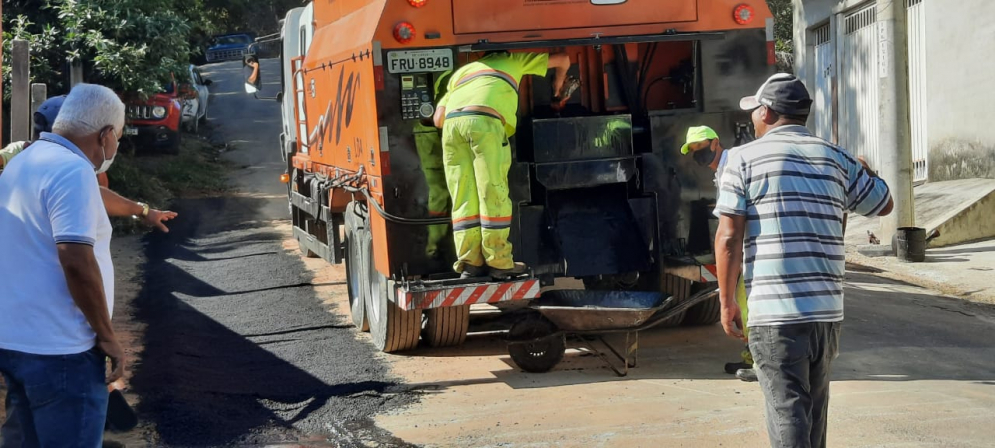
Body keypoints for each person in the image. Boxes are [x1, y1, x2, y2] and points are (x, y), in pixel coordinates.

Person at [714, 73, 893, 448]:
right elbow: (884, 202)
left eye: (754, 111)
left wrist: (727, 301)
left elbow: (729, 237)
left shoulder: (743, 159)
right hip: (827, 314)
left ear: (766, 112)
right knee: (813, 410)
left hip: (776, 314)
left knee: (787, 410)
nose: (751, 119)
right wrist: (863, 166)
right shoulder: (837, 157)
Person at [0, 84, 130, 447]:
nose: (116, 146)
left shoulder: (23, 162)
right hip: (62, 352)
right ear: (104, 135)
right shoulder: (73, 170)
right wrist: (107, 336)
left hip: (15, 342)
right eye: (118, 137)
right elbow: (76, 260)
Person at [433, 50, 572, 279]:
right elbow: (564, 59)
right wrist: (558, 88)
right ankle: (499, 261)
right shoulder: (514, 59)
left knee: (463, 196)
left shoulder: (462, 73)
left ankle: (470, 263)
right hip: (485, 122)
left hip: (452, 129)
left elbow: (438, 120)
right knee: (492, 190)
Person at [1, 94, 178, 232]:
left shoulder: (23, 152)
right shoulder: (65, 166)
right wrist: (144, 211)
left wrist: (144, 211)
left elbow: (96, 195)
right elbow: (76, 262)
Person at [681, 125, 757, 382]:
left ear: (715, 143)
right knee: (745, 303)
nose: (697, 153)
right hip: (746, 248)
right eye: (692, 150)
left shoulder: (732, 167)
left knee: (748, 306)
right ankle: (752, 357)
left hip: (750, 248)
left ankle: (760, 362)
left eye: (700, 147)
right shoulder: (723, 170)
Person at [415, 70, 454, 258]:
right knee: (439, 195)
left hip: (442, 156)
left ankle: (438, 246)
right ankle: (434, 247)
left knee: (445, 196)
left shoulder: (446, 81)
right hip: (436, 159)